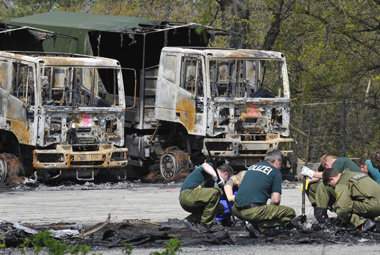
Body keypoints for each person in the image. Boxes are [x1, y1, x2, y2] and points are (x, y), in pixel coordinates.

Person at [231, 149, 296, 237]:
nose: (281, 167)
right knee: (290, 213)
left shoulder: (252, 167)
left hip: (236, 210)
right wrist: (273, 214)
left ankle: (254, 223)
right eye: (281, 164)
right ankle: (259, 226)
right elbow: (276, 200)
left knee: (262, 209)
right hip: (252, 212)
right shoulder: (275, 171)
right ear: (276, 161)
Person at [301, 154, 362, 223]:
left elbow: (329, 175)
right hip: (346, 192)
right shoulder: (338, 167)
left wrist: (309, 172)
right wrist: (308, 181)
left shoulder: (340, 161)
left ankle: (322, 218)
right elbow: (321, 177)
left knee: (323, 185)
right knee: (312, 186)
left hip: (356, 195)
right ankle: (321, 209)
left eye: (325, 168)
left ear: (326, 164)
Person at [179, 162, 232, 232]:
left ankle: (192, 219)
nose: (225, 182)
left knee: (220, 208)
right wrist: (216, 176)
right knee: (215, 192)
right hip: (187, 195)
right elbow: (204, 165)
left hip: (194, 198)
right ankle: (205, 224)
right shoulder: (211, 167)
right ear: (226, 174)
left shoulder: (211, 181)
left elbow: (212, 202)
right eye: (227, 180)